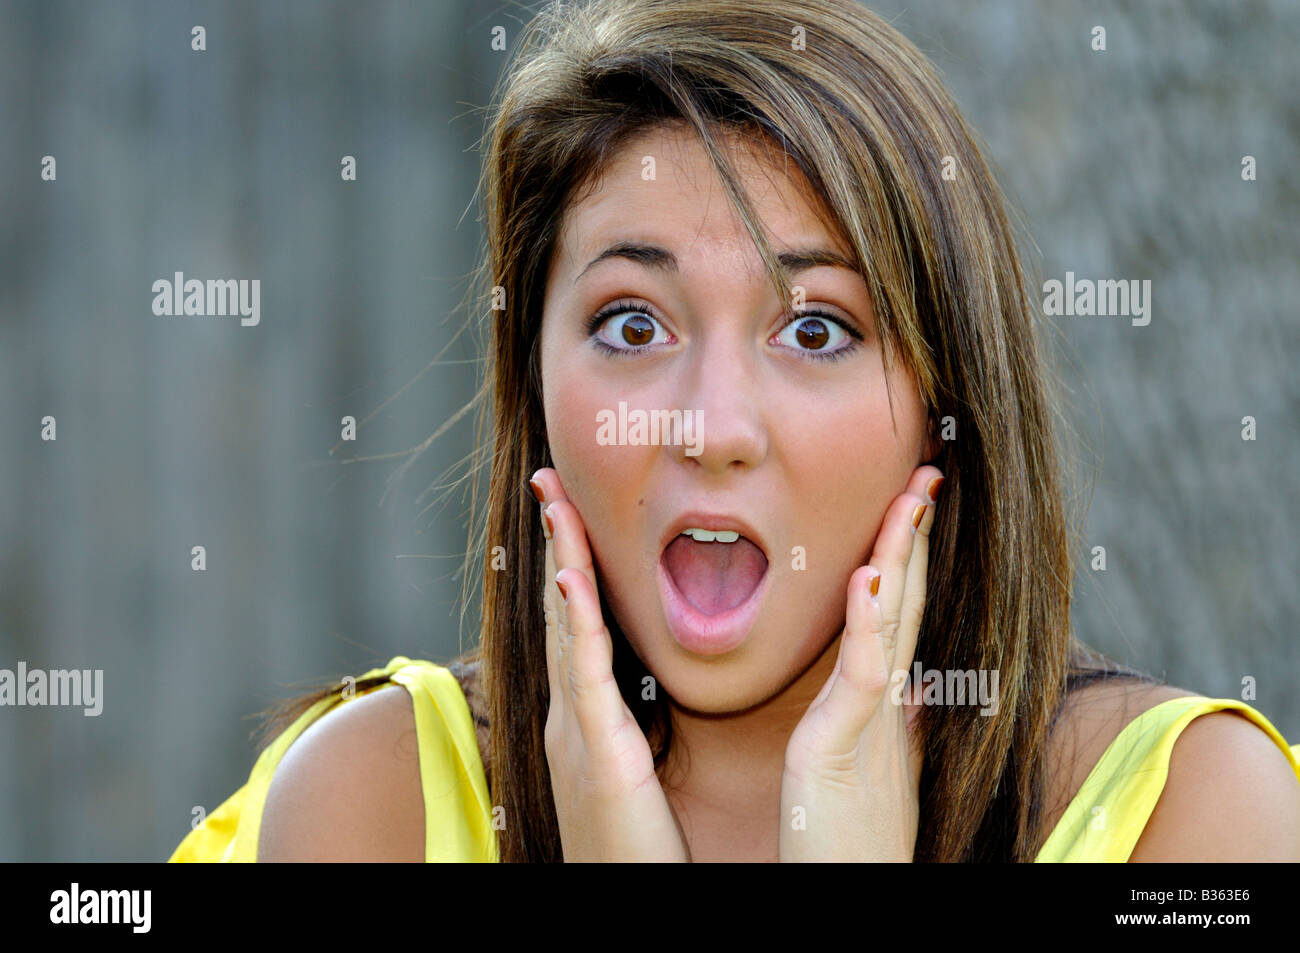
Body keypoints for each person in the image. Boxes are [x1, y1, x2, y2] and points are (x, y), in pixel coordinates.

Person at [170, 0, 1300, 863]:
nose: (711, 428)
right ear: (534, 383)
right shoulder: (372, 804)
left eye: (814, 329)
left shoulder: (1194, 818)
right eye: (630, 321)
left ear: (945, 404)